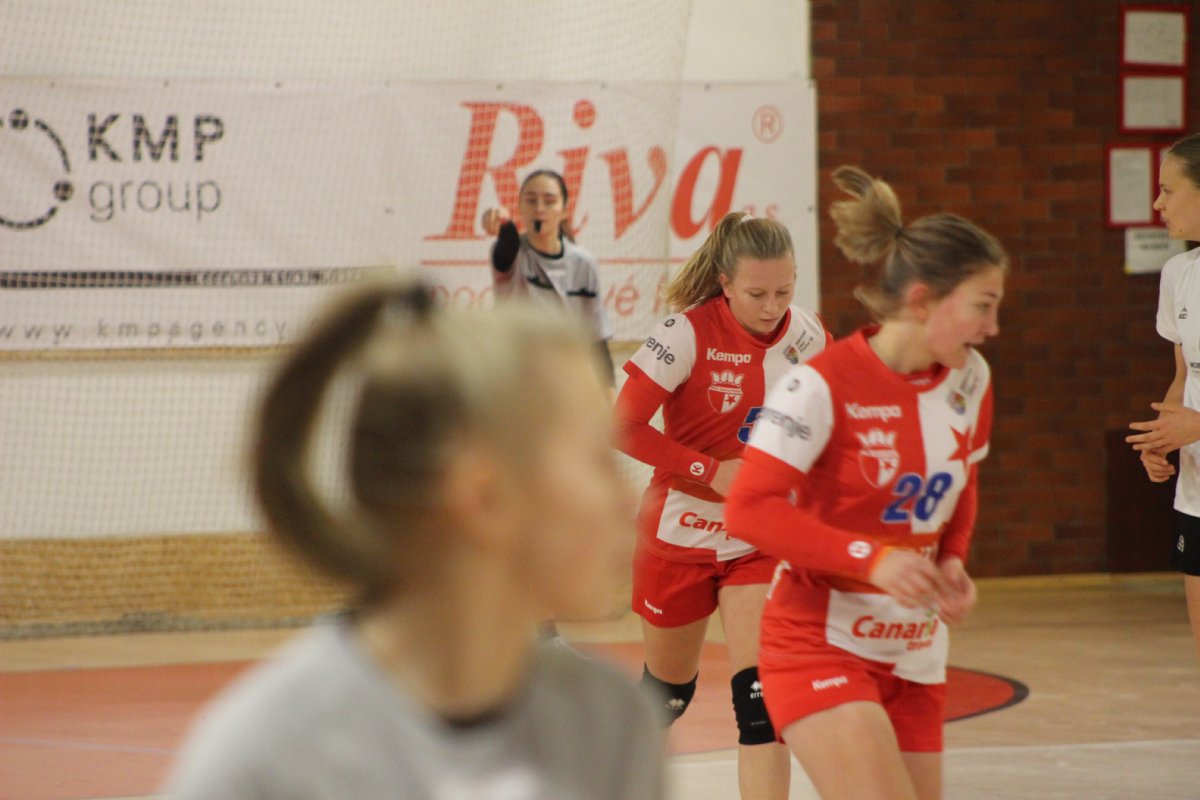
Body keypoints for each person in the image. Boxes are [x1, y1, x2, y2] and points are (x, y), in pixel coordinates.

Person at [164, 281, 664, 800]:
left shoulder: (610, 724)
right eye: (601, 461)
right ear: (486, 497)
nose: (629, 501)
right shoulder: (267, 758)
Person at [725, 165, 1007, 800]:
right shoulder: (819, 384)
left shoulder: (972, 379)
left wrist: (953, 559)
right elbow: (748, 509)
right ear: (923, 301)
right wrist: (872, 559)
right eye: (982, 306)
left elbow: (962, 482)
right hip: (818, 643)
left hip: (915, 650)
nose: (992, 327)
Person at [614, 210, 830, 800]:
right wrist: (711, 472)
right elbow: (621, 426)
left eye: (784, 291)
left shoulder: (809, 336)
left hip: (757, 535)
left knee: (763, 703)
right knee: (667, 695)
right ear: (726, 283)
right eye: (757, 294)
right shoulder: (683, 334)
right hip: (678, 531)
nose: (772, 307)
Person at [1126, 132, 1200, 662]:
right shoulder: (1179, 274)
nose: (1157, 203)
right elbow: (1183, 376)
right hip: (1196, 492)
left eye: (1168, 190)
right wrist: (1163, 438)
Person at [482, 168, 616, 388]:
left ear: (564, 211)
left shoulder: (584, 263)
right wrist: (503, 221)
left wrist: (610, 398)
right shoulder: (513, 254)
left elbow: (597, 339)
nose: (539, 209)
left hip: (566, 382)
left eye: (549, 201)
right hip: (515, 380)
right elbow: (507, 242)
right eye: (531, 201)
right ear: (520, 207)